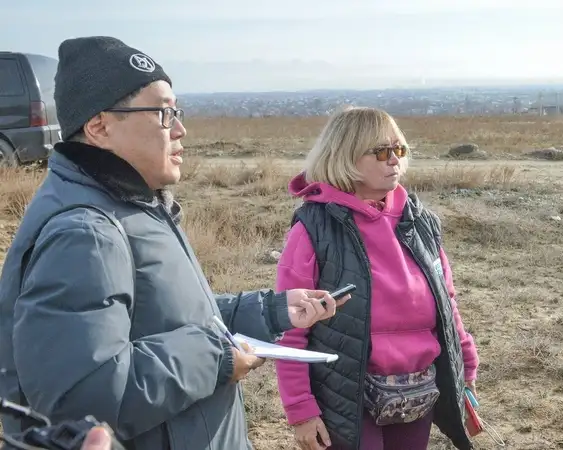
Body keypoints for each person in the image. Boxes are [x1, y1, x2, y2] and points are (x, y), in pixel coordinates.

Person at [0, 36, 349, 450]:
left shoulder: (132, 206)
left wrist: (268, 312)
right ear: (99, 126)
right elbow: (81, 400)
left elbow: (163, 318)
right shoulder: (86, 232)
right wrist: (216, 358)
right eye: (164, 113)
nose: (181, 129)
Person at [272, 106, 480, 450]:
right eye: (381, 151)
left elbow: (447, 304)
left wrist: (466, 364)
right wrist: (301, 410)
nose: (393, 160)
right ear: (344, 157)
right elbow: (291, 327)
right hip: (346, 398)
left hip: (417, 392)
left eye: (399, 150)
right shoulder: (314, 229)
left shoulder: (421, 222)